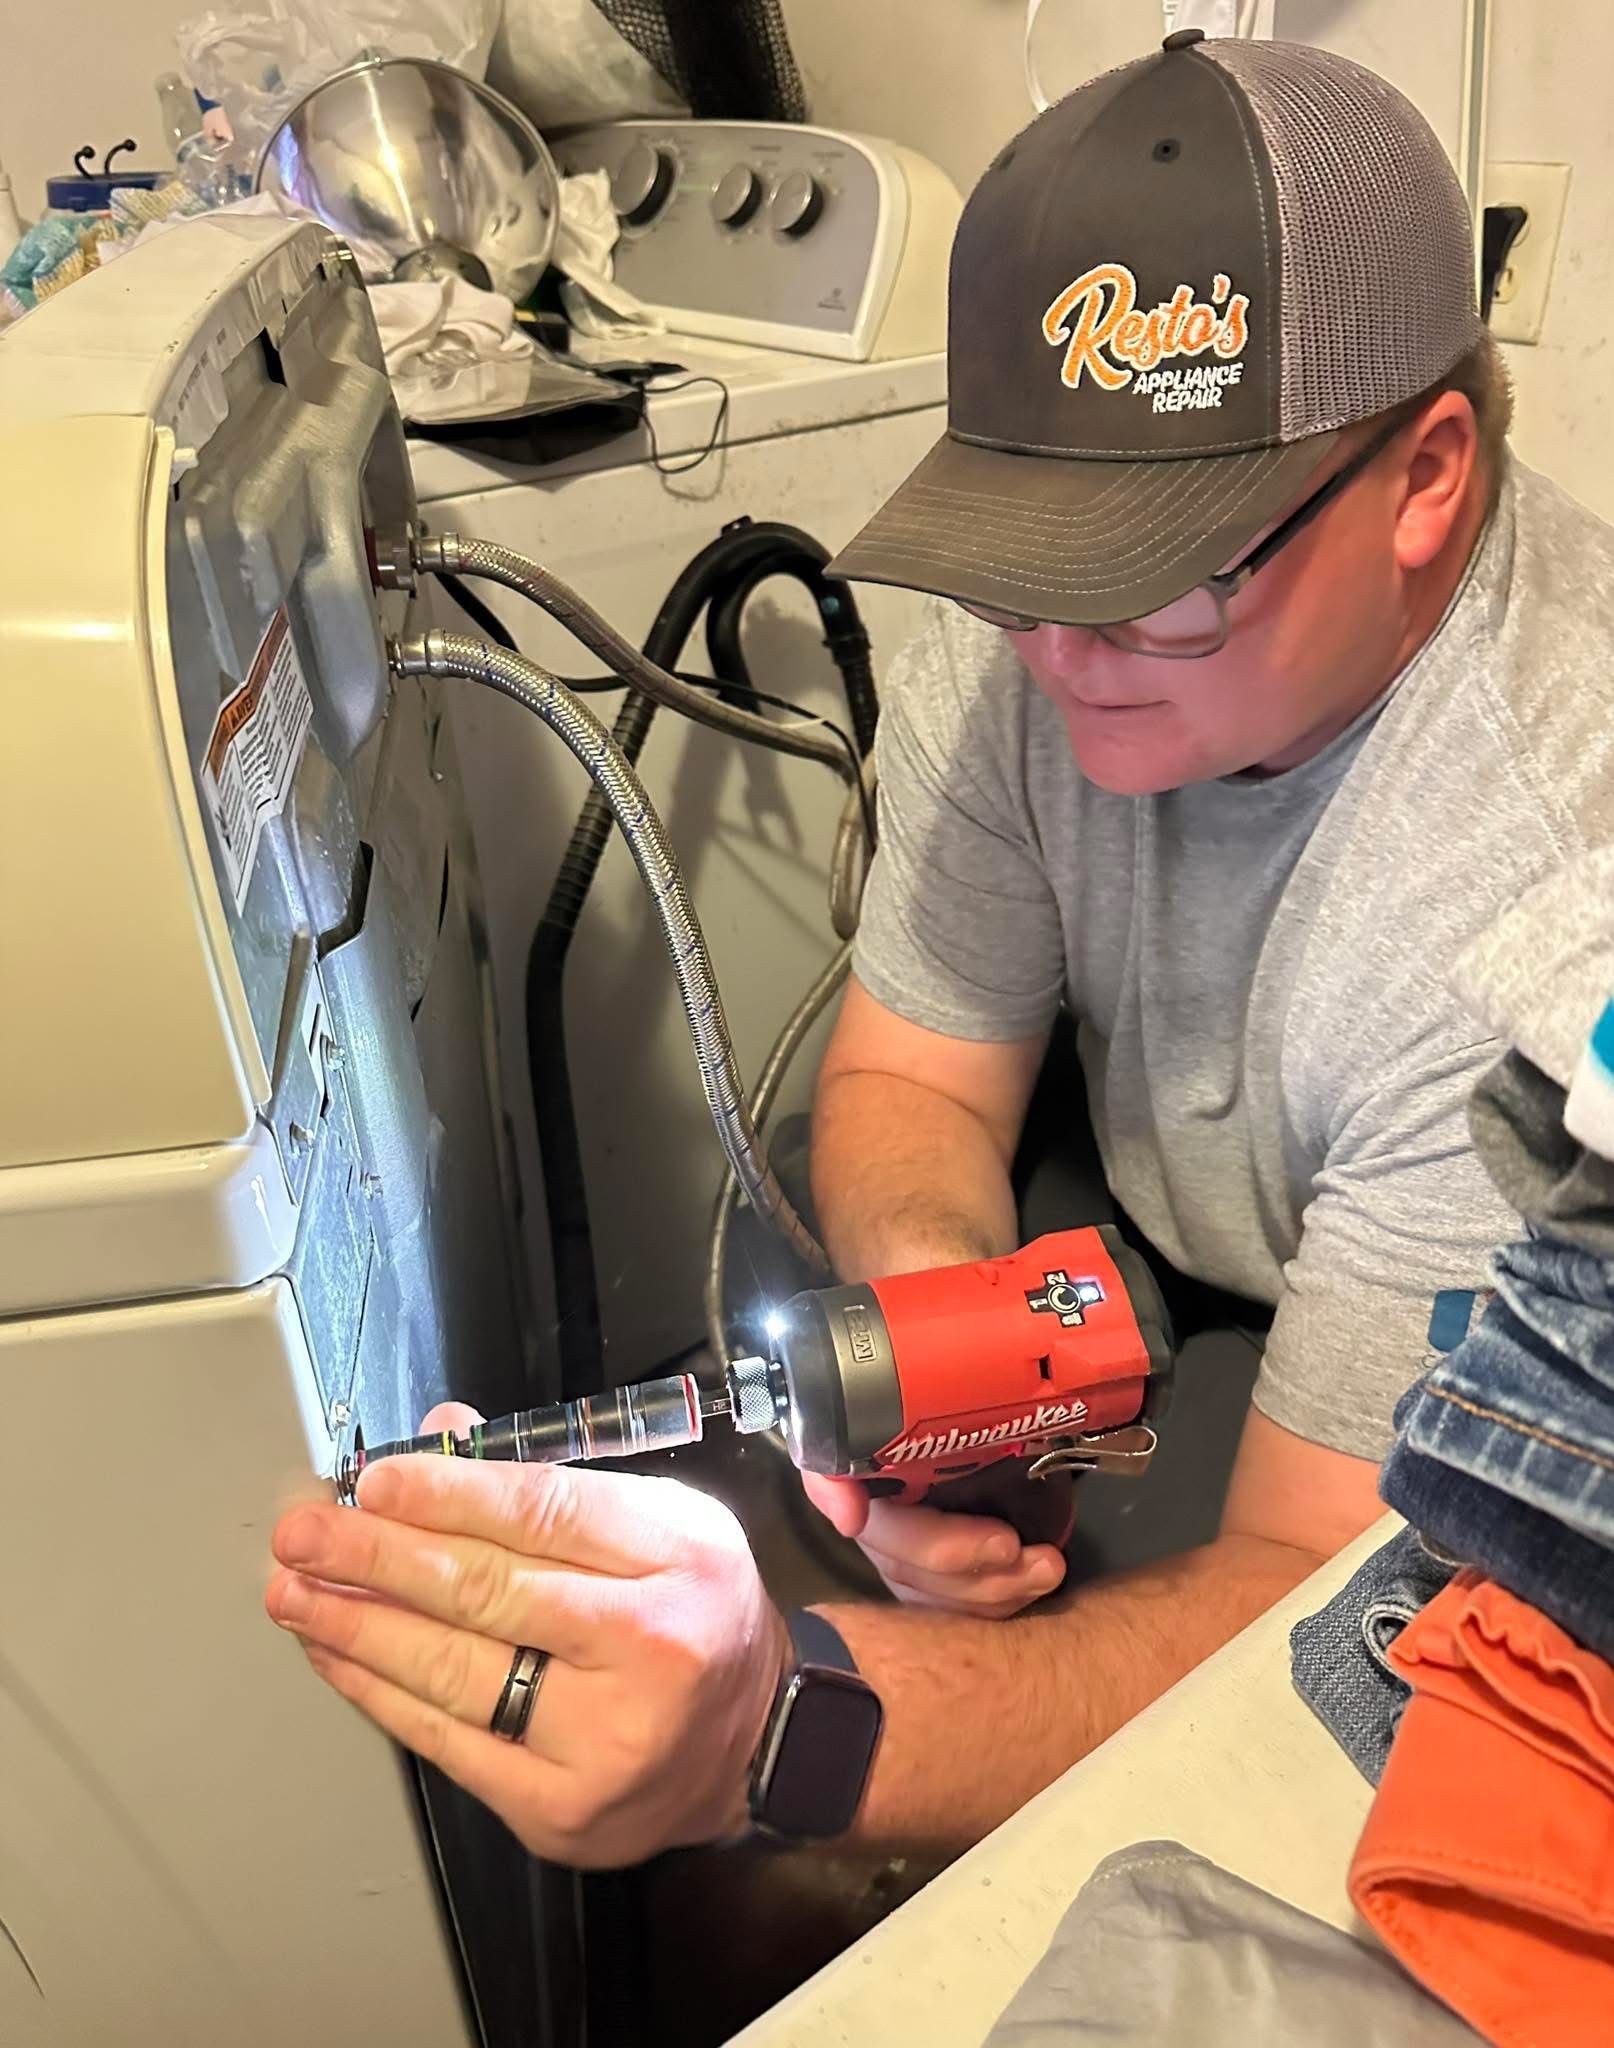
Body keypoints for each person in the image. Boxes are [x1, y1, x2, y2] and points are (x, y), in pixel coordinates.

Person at [266, 34, 1614, 1867]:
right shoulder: (1054, 621)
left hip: (1420, 1463)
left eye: (1155, 571)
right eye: (1021, 554)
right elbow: (909, 1074)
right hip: (1162, 1252)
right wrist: (934, 1382)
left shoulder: (1543, 922)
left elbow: (1327, 1612)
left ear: (1424, 475)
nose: (1055, 648)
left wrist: (771, 1727)